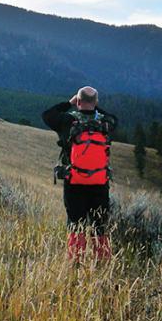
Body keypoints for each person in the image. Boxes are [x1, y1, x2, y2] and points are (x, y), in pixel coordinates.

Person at [42, 86, 117, 263]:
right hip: (99, 183)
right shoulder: (105, 124)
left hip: (74, 182)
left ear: (78, 101)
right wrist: (94, 107)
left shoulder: (67, 121)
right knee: (100, 226)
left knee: (76, 224)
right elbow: (115, 119)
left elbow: (47, 115)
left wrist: (70, 103)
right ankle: (102, 264)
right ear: (96, 102)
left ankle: (75, 264)